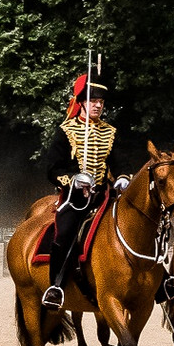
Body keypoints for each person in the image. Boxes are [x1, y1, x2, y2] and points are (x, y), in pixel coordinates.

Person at [41, 61, 118, 309]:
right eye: (93, 101)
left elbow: (119, 163)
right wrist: (74, 180)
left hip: (105, 196)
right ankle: (56, 286)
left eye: (101, 102)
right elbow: (53, 169)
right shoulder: (67, 130)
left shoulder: (110, 132)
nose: (97, 106)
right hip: (76, 199)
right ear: (82, 103)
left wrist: (124, 177)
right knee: (65, 234)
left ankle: (162, 281)